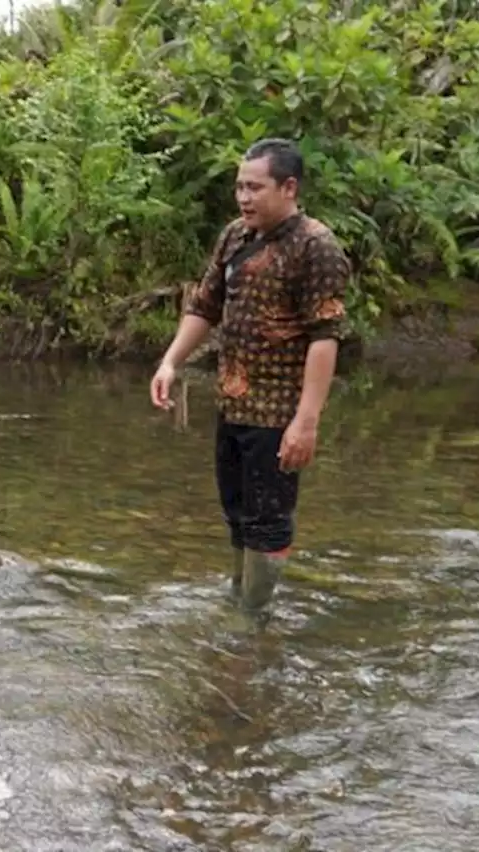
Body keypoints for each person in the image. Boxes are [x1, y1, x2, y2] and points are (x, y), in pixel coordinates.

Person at [149, 138, 350, 626]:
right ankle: (240, 600)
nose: (243, 197)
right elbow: (205, 305)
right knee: (237, 512)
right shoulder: (235, 236)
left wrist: (306, 422)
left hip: (279, 413)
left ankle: (253, 619)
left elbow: (326, 337)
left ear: (289, 187)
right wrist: (171, 361)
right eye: (239, 186)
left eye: (254, 187)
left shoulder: (316, 247)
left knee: (269, 520)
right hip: (233, 404)